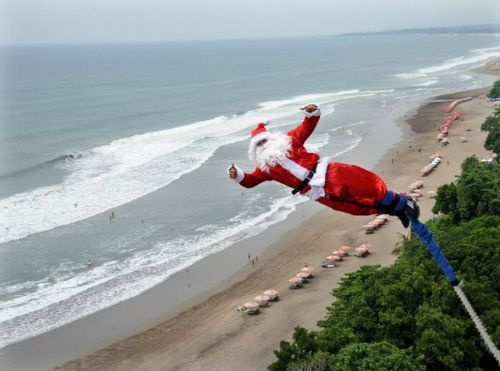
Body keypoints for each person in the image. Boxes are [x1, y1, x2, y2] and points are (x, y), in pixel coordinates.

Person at [228, 104, 419, 227]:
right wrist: (237, 174)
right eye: (259, 144)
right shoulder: (265, 168)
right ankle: (397, 211)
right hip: (317, 192)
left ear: (270, 138)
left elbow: (307, 126)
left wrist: (311, 113)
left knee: (368, 188)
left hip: (330, 174)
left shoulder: (290, 141)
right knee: (354, 207)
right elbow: (250, 181)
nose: (263, 145)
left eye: (263, 141)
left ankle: (404, 202)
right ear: (256, 149)